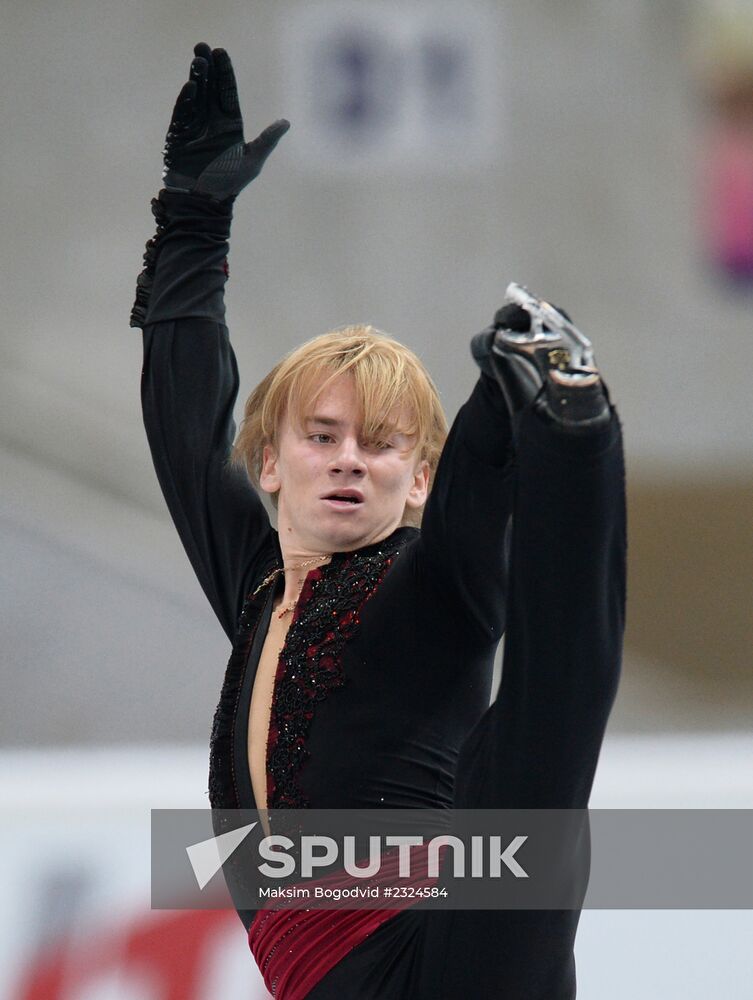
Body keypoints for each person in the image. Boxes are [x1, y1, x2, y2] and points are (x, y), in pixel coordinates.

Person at [132, 43, 626, 1000]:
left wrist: (494, 419)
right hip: (324, 982)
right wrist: (193, 218)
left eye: (384, 444)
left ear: (420, 481)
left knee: (539, 728)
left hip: (450, 937)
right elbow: (185, 426)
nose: (351, 458)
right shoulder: (258, 583)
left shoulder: (430, 580)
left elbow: (478, 503)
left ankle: (564, 413)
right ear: (270, 463)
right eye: (322, 436)